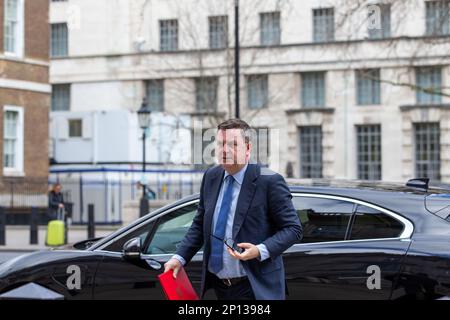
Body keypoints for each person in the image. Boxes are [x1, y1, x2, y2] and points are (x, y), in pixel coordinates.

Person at [164, 119, 303, 300]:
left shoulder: (269, 181)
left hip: (254, 287)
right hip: (219, 287)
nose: (225, 150)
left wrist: (260, 250)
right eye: (221, 144)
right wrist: (179, 258)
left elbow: (293, 229)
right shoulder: (211, 176)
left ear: (247, 148)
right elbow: (199, 224)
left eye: (233, 144)